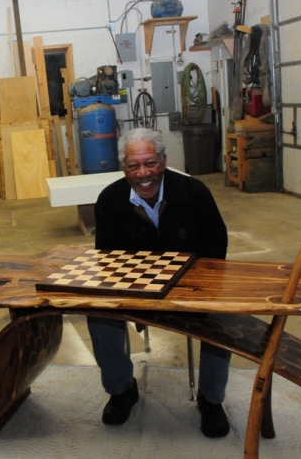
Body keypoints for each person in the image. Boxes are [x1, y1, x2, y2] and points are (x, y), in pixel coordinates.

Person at [87, 127, 232, 438]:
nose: (143, 174)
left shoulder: (195, 193)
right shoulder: (110, 200)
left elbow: (216, 249)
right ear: (123, 167)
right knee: (98, 311)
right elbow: (106, 260)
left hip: (190, 287)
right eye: (133, 166)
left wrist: (191, 288)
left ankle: (211, 399)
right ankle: (121, 389)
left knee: (224, 311)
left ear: (164, 161)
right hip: (134, 291)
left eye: (150, 163)